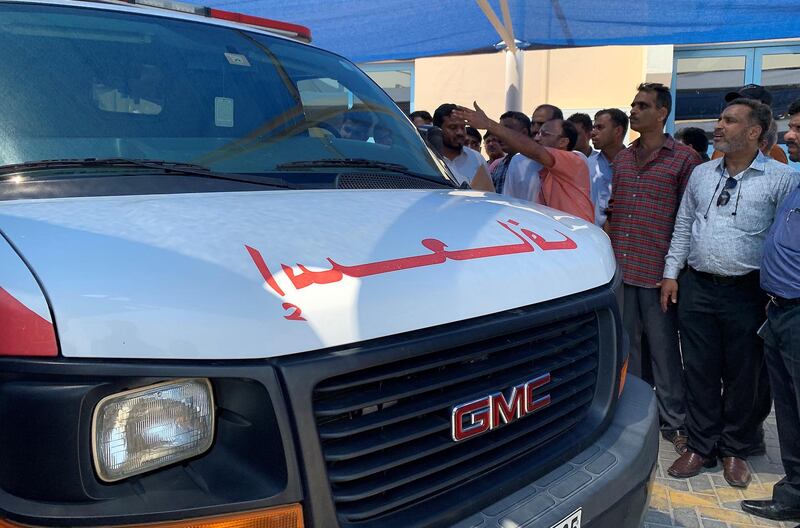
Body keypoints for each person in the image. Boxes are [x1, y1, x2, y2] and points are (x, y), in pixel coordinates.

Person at [662, 98, 800, 487]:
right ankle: (700, 445)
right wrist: (672, 273)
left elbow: (783, 239)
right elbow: (684, 224)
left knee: (745, 374)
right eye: (720, 119)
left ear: (754, 132)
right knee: (700, 368)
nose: (717, 126)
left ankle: (735, 448)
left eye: (729, 120)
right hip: (698, 286)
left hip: (749, 292)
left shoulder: (781, 178)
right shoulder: (702, 174)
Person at [607, 83, 700, 454]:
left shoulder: (684, 159)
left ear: (662, 113)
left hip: (660, 273)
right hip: (624, 268)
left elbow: (689, 219)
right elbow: (614, 211)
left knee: (664, 352)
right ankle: (640, 415)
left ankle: (675, 421)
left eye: (642, 105)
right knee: (630, 349)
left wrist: (673, 273)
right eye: (632, 104)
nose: (633, 111)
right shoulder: (623, 159)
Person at [740, 99, 800, 521]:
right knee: (790, 413)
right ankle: (794, 493)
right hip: (780, 313)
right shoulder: (796, 181)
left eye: (798, 128)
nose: (790, 135)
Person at [455, 103, 594, 223]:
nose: (536, 135)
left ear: (563, 141)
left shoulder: (577, 159)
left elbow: (536, 151)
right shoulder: (527, 163)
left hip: (576, 240)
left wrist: (488, 124)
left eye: (544, 133)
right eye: (535, 127)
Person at [710, 84, 789, 164]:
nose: (736, 107)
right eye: (736, 102)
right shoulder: (720, 150)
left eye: (745, 103)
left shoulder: (775, 153)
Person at [432, 103, 494, 192]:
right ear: (437, 130)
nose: (460, 132)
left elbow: (488, 196)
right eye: (453, 127)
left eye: (463, 127)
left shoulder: (477, 159)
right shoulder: (427, 159)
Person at [590, 108, 628, 227]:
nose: (593, 133)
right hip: (593, 239)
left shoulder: (635, 166)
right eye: (594, 127)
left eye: (600, 127)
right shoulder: (586, 165)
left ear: (617, 131)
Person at [489, 111, 531, 194]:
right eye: (499, 130)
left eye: (506, 130)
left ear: (524, 133)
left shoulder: (534, 164)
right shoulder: (498, 166)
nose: (500, 135)